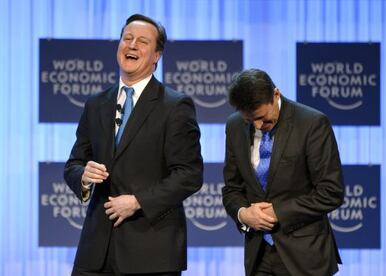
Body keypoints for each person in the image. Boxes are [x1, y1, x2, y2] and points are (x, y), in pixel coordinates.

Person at [64, 14, 203, 276]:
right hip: (95, 253)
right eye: (127, 39)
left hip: (151, 251)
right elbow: (74, 163)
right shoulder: (96, 104)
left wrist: (138, 201)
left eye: (142, 41)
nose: (132, 45)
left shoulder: (175, 106)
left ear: (156, 56)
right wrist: (83, 177)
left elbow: (189, 175)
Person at [222, 69, 344, 276]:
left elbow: (331, 192)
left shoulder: (312, 124)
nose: (258, 126)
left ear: (276, 94)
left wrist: (278, 212)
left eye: (262, 118)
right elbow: (232, 188)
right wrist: (243, 214)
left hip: (305, 256)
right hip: (258, 255)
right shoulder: (235, 126)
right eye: (250, 120)